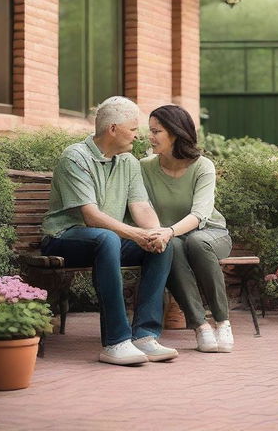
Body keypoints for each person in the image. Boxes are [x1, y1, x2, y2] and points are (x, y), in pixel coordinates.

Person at [41, 96, 178, 366]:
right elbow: (91, 217)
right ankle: (116, 342)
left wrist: (156, 233)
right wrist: (135, 234)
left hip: (107, 241)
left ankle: (144, 336)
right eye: (133, 129)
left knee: (160, 245)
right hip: (64, 238)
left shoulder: (127, 162)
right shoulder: (75, 157)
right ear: (113, 129)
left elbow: (141, 207)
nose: (138, 136)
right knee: (107, 238)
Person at [141, 104, 234, 353]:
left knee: (195, 242)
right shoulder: (145, 167)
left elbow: (200, 214)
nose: (149, 136)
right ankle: (201, 327)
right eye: (149, 130)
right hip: (172, 236)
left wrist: (169, 231)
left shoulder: (203, 166)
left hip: (211, 234)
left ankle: (223, 322)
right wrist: (164, 234)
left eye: (156, 131)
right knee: (173, 247)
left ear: (175, 133)